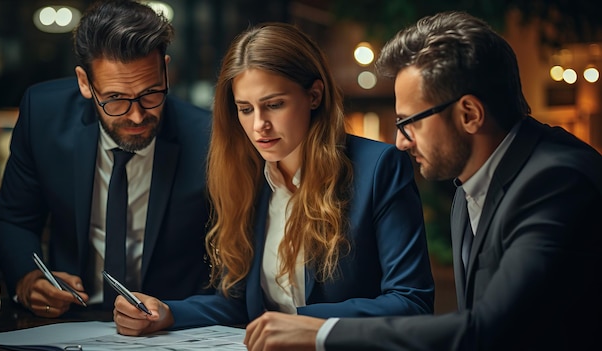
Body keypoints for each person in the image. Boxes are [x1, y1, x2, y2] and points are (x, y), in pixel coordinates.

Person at [243, 11, 602, 351]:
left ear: (469, 113)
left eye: (409, 122)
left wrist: (324, 331)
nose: (400, 141)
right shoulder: (468, 188)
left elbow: (488, 328)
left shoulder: (556, 181)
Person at [112, 22, 435, 336]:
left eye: (274, 105)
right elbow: (238, 303)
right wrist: (166, 313)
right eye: (245, 109)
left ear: (314, 95)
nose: (259, 126)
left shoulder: (378, 167)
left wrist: (302, 323)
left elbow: (411, 301)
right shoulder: (247, 175)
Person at [0, 0, 213, 318]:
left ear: (166, 69)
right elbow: (13, 220)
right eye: (116, 99)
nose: (137, 115)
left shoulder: (208, 138)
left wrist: (177, 314)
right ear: (84, 82)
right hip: (69, 321)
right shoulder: (44, 116)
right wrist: (28, 279)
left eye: (151, 93)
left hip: (169, 326)